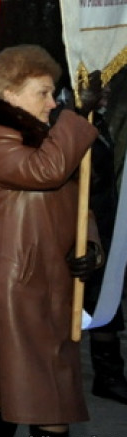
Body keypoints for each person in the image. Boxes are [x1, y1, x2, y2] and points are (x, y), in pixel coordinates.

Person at [0, 45, 102, 437]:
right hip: (11, 287)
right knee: (17, 390)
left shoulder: (47, 143)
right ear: (8, 94)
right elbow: (46, 173)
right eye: (43, 93)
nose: (52, 103)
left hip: (48, 286)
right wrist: (74, 118)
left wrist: (90, 249)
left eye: (54, 94)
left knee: (43, 393)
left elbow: (81, 206)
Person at [80, 70, 127, 405]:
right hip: (85, 226)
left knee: (105, 297)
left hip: (106, 222)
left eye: (109, 89)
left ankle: (109, 375)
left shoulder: (102, 126)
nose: (107, 95)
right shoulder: (74, 126)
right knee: (89, 295)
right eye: (101, 90)